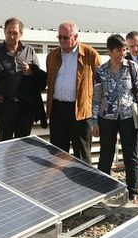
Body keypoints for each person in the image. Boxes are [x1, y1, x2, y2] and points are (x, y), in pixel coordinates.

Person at [92, 34, 138, 203]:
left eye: (124, 50)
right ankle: (102, 191)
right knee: (106, 154)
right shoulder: (100, 71)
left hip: (128, 117)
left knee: (131, 155)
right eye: (119, 50)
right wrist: (95, 121)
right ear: (109, 51)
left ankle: (133, 191)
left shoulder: (132, 67)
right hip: (107, 118)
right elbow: (96, 98)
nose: (122, 53)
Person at [46, 21, 101, 164]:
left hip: (81, 112)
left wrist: (97, 115)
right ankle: (58, 186)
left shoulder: (90, 54)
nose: (62, 41)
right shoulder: (52, 56)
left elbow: (100, 86)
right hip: (57, 110)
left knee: (82, 156)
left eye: (65, 37)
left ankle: (83, 185)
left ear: (75, 37)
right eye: (59, 37)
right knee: (57, 155)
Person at [0, 17, 47, 141]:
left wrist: (31, 72)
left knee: (23, 145)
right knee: (3, 144)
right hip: (5, 108)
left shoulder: (29, 51)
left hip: (25, 108)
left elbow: (40, 78)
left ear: (21, 34)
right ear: (4, 32)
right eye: (9, 32)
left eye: (15, 33)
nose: (12, 36)